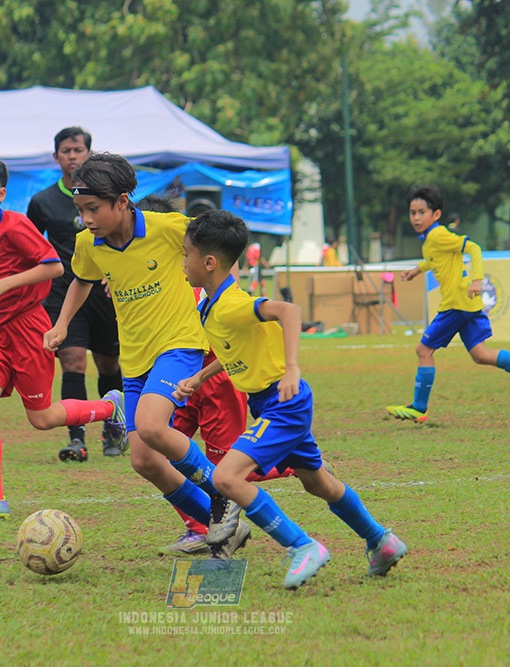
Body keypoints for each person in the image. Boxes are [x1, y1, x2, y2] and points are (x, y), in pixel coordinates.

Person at [174, 209, 407, 589]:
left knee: (226, 477)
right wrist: (199, 377)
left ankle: (302, 546)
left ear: (209, 262)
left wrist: (292, 367)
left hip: (284, 401)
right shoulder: (211, 306)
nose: (183, 262)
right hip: (271, 404)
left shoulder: (232, 303)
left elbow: (289, 310)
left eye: (186, 254)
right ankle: (381, 541)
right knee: (319, 484)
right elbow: (234, 352)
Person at [44, 153, 249, 558]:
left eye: (93, 209)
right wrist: (62, 323)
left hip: (179, 344)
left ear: (122, 201)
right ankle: (211, 525)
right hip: (134, 359)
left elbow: (216, 256)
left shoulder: (170, 228)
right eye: (80, 210)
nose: (85, 218)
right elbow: (81, 282)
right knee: (144, 460)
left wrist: (225, 304)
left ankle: (225, 491)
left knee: (153, 427)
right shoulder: (89, 244)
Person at [0, 155, 126, 522]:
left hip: (27, 331)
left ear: (1, 193)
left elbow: (54, 266)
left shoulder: (16, 226)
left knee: (41, 419)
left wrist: (2, 286)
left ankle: (110, 408)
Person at [138, 196, 295, 557]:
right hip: (183, 382)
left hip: (217, 383)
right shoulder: (162, 274)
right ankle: (198, 526)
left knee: (225, 471)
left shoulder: (206, 277)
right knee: (162, 452)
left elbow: (245, 317)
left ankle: (290, 464)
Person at [385, 185, 510, 423]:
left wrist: (478, 279)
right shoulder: (430, 239)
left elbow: (473, 248)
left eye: (421, 212)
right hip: (468, 304)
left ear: (436, 215)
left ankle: (419, 407)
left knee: (423, 350)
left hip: (455, 305)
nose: (415, 217)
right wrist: (418, 270)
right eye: (412, 212)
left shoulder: (438, 234)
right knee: (481, 354)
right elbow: (435, 259)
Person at [27, 127, 125, 461]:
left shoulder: (110, 200)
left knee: (108, 363)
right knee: (72, 360)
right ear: (56, 157)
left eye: (78, 150)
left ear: (89, 154)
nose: (72, 155)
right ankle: (76, 439)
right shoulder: (42, 202)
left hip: (105, 292)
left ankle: (114, 430)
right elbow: (31, 249)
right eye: (66, 150)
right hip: (63, 294)